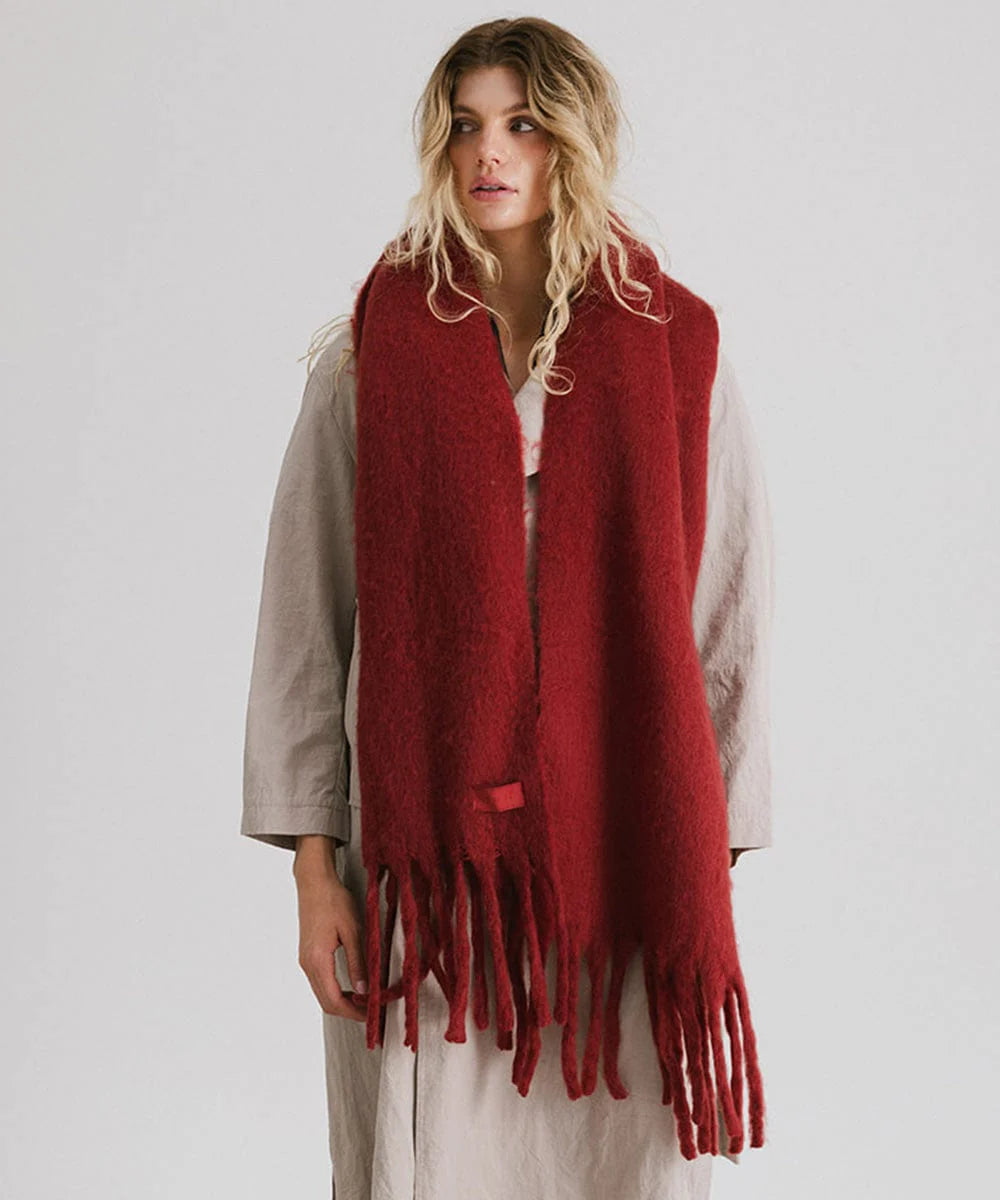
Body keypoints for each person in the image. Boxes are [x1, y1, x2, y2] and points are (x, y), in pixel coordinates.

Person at [241, 16, 774, 1200]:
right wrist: (315, 876)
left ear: (574, 140)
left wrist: (708, 853)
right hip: (425, 877)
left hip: (622, 856)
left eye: (523, 124)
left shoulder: (679, 352)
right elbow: (304, 626)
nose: (490, 152)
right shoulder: (367, 359)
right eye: (465, 125)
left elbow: (727, 620)